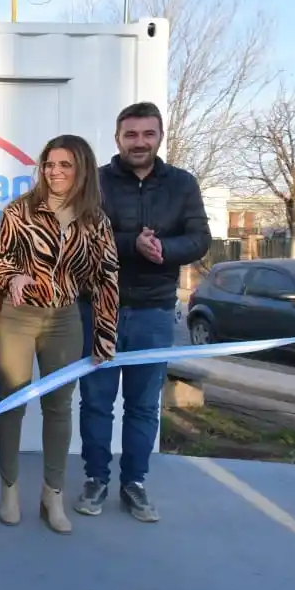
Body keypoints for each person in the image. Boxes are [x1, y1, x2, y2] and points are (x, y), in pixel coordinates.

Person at [76, 102, 211, 523]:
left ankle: (134, 482)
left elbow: (200, 238)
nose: (139, 142)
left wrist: (165, 250)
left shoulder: (182, 184)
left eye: (147, 134)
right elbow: (82, 237)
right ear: (117, 138)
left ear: (159, 137)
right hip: (101, 308)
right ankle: (96, 479)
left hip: (154, 311)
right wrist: (133, 242)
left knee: (143, 406)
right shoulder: (94, 183)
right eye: (130, 135)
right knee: (97, 402)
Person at [0, 134, 118, 536]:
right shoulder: (20, 211)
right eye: (49, 164)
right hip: (17, 318)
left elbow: (106, 279)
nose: (54, 172)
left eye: (64, 165)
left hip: (65, 321)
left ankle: (51, 496)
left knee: (59, 407)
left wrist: (104, 335)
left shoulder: (96, 220)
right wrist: (13, 275)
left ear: (82, 171)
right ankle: (9, 491)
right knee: (12, 405)